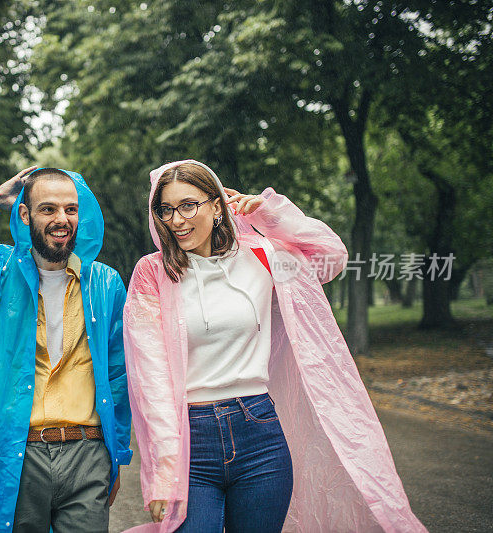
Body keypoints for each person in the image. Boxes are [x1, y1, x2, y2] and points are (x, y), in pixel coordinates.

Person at [122, 160, 426, 532]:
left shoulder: (262, 257)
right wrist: (165, 466)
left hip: (259, 433)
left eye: (189, 205)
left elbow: (331, 257)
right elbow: (150, 374)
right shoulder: (154, 273)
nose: (177, 220)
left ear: (217, 205)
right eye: (165, 210)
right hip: (192, 439)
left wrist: (270, 212)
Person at [0, 166, 132, 533]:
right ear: (24, 214)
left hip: (88, 453)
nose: (61, 219)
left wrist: (117, 454)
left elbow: (118, 373)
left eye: (70, 209)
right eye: (48, 209)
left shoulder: (105, 282)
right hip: (18, 455)